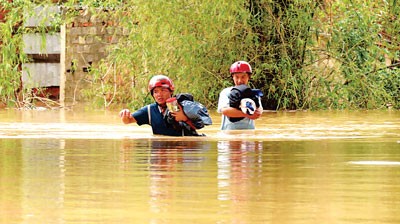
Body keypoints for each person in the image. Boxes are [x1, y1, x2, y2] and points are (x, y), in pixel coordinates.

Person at [119, 74, 210, 136]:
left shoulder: (183, 105)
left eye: (163, 90)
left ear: (170, 92)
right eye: (156, 92)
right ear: (153, 95)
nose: (159, 94)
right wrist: (125, 115)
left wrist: (184, 118)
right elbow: (128, 121)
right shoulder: (150, 110)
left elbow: (198, 127)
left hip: (182, 151)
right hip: (160, 149)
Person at [217, 61, 263, 130]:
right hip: (228, 134)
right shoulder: (226, 92)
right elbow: (225, 111)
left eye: (243, 77)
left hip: (249, 135)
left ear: (248, 77)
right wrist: (247, 113)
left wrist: (255, 112)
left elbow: (258, 113)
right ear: (233, 77)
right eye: (237, 77)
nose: (239, 80)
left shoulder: (254, 93)